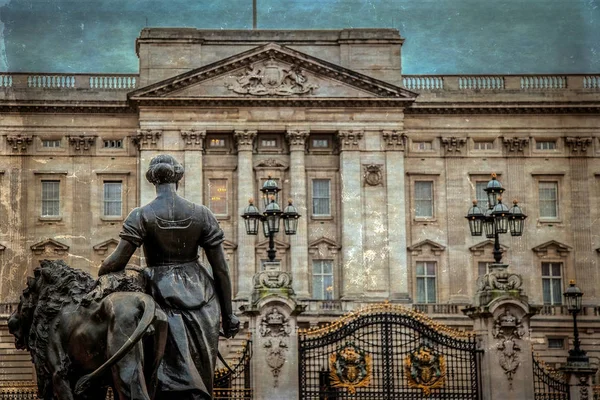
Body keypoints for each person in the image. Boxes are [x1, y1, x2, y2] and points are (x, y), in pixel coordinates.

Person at [98, 154, 240, 400]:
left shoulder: (141, 215)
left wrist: (101, 271)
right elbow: (221, 270)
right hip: (202, 299)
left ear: (152, 179)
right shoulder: (202, 214)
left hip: (158, 293)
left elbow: (118, 260)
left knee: (160, 373)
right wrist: (228, 315)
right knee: (201, 376)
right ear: (178, 177)